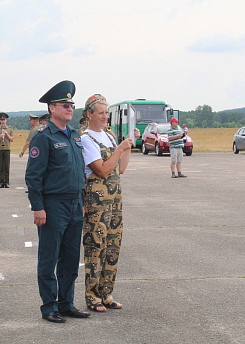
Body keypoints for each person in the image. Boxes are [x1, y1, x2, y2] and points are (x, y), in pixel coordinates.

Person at [25, 80, 90, 323]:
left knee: (71, 258)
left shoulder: (74, 135)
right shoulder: (44, 136)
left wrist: (81, 200)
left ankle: (66, 303)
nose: (70, 109)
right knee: (49, 257)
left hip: (74, 204)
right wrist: (38, 206)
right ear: (52, 108)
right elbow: (33, 176)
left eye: (72, 105)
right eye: (65, 105)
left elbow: (78, 171)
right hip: (52, 205)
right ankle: (49, 306)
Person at [81, 94, 140, 312]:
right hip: (97, 203)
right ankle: (92, 295)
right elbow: (103, 170)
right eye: (101, 113)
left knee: (112, 247)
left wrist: (128, 147)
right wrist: (119, 149)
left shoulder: (109, 136)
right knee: (95, 247)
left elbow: (120, 169)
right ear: (89, 114)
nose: (106, 116)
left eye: (107, 112)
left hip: (114, 201)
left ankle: (106, 293)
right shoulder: (87, 138)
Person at [0, 112, 14, 188]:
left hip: (7, 149)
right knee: (0, 166)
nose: (3, 121)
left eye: (4, 120)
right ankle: (1, 182)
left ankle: (6, 181)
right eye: (1, 120)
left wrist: (7, 134)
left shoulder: (9, 129)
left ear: (6, 120)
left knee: (6, 166)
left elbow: (12, 139)